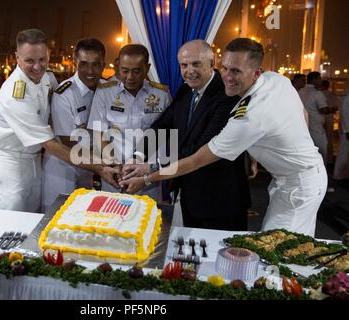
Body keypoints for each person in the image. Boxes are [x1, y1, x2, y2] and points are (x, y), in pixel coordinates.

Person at [121, 38, 327, 237]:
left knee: (279, 249)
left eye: (236, 71)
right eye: (226, 68)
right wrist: (138, 156)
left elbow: (196, 157)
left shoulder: (239, 107)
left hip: (233, 197)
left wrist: (148, 174)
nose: (227, 76)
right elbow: (163, 124)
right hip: (284, 179)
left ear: (256, 73)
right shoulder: (275, 79)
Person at [124, 40, 251, 231]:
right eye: (184, 65)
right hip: (190, 196)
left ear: (212, 62)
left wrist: (149, 168)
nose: (189, 71)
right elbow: (162, 125)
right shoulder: (186, 89)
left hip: (222, 202)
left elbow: (198, 150)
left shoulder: (227, 95)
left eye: (196, 64)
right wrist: (138, 156)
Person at [0, 29, 118, 213]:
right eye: (29, 61)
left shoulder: (47, 77)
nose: (37, 67)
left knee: (34, 218)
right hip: (12, 163)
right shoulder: (15, 94)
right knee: (13, 218)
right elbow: (50, 143)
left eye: (42, 59)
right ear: (17, 57)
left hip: (35, 159)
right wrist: (99, 167)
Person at [87, 44, 171, 201]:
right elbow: (99, 133)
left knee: (146, 220)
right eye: (125, 71)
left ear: (147, 68)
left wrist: (151, 168)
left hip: (147, 178)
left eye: (136, 71)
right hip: (114, 175)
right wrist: (113, 164)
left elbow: (166, 134)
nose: (130, 77)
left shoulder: (161, 95)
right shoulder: (105, 92)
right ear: (118, 66)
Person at [42, 38, 106, 212]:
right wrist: (108, 162)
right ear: (74, 62)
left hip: (90, 168)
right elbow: (69, 142)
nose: (90, 71)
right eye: (84, 64)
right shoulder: (64, 94)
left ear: (104, 64)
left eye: (96, 64)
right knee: (57, 222)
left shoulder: (108, 90)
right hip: (63, 170)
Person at [299, 72, 330, 165]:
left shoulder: (300, 91)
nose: (321, 81)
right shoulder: (317, 93)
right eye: (319, 79)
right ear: (315, 79)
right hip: (316, 127)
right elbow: (323, 109)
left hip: (302, 126)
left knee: (305, 152)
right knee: (321, 151)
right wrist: (332, 109)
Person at [320, 80, 339, 166]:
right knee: (329, 139)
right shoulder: (333, 95)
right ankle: (329, 160)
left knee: (319, 138)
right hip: (329, 118)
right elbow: (336, 107)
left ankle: (321, 158)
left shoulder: (319, 94)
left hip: (320, 117)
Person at [333, 90, 349, 180]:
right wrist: (347, 130)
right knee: (343, 152)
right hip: (346, 130)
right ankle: (338, 174)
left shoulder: (344, 96)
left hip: (345, 128)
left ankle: (343, 173)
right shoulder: (346, 97)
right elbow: (345, 114)